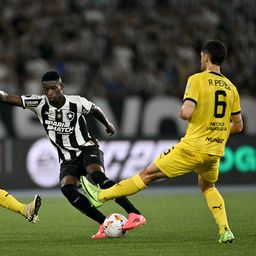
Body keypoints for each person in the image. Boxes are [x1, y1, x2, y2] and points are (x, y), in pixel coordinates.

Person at [80, 40, 243, 243]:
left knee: (147, 174)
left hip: (192, 148)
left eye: (201, 56)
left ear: (206, 57)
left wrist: (184, 112)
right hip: (214, 151)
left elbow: (186, 112)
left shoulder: (197, 79)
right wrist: (216, 129)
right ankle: (225, 230)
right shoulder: (231, 88)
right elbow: (238, 125)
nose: (201, 59)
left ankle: (101, 196)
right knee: (208, 186)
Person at [0, 71, 146, 239]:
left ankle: (134, 213)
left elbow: (95, 109)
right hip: (67, 159)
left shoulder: (76, 102)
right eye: (46, 89)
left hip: (87, 148)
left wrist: (108, 124)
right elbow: (6, 98)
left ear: (62, 87)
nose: (49, 93)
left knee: (97, 175)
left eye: (53, 88)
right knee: (67, 189)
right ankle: (103, 223)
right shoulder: (39, 103)